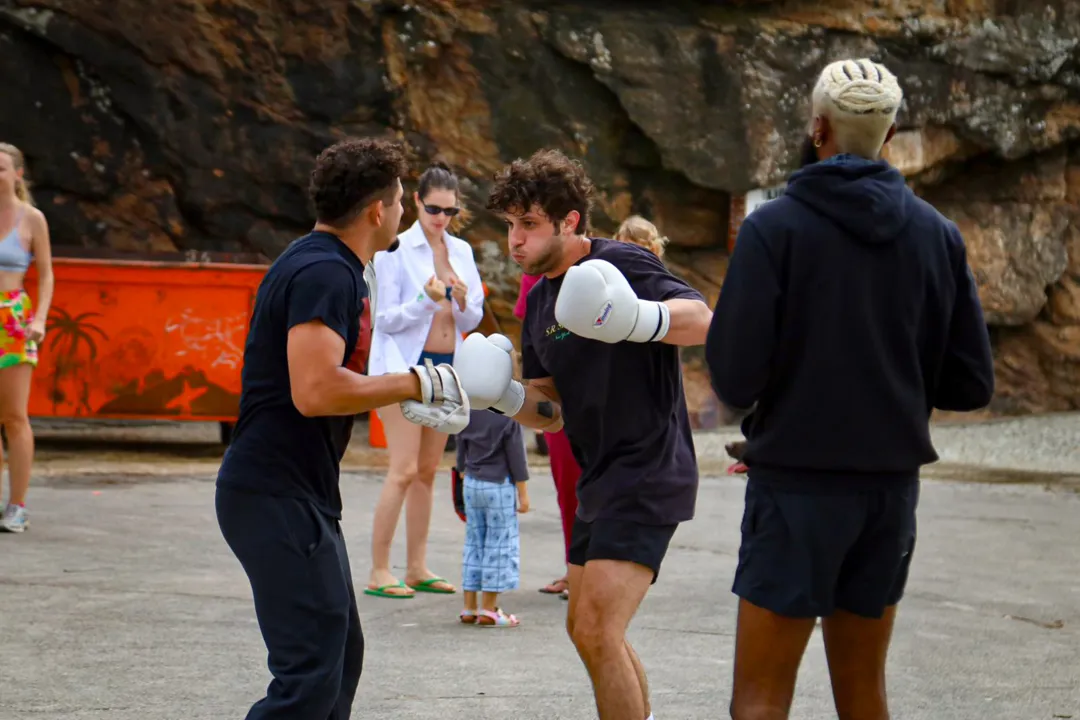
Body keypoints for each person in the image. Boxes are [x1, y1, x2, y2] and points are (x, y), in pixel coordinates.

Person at [705, 58, 995, 720]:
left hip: (795, 488)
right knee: (864, 696)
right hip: (888, 494)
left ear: (818, 129)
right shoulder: (936, 237)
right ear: (889, 136)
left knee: (758, 700)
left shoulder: (772, 229)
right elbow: (971, 380)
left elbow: (736, 376)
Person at [453, 148, 713, 720]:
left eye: (529, 224)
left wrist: (639, 319)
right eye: (510, 226)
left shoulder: (621, 263)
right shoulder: (539, 300)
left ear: (570, 221)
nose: (515, 241)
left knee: (597, 627)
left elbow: (701, 321)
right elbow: (553, 411)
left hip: (649, 469)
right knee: (589, 629)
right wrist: (503, 397)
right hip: (598, 478)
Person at [215, 137, 469, 720]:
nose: (404, 212)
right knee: (309, 675)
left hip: (296, 492)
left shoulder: (326, 264)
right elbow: (316, 390)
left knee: (338, 657)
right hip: (272, 492)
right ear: (377, 211)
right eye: (402, 200)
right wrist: (415, 383)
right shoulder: (325, 272)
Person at [365, 161, 485, 599]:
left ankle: (416, 566)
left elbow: (469, 318)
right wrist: (426, 299)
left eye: (450, 212)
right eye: (434, 209)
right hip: (402, 366)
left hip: (446, 368)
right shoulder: (394, 249)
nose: (441, 219)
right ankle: (380, 569)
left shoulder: (462, 252)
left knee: (429, 471)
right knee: (403, 469)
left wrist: (464, 300)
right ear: (416, 201)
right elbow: (384, 319)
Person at [513, 271, 577, 600]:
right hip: (561, 400)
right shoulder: (535, 281)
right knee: (568, 489)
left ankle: (601, 571)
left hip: (605, 403)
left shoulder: (602, 265)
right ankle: (575, 568)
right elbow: (534, 337)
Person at [0, 143, 53, 534]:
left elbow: (47, 275)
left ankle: (17, 505)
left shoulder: (32, 219)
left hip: (13, 320)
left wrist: (40, 318)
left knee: (14, 416)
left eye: (1, 169)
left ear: (17, 174)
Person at [455, 400, 531, 627]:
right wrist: (523, 495)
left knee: (473, 541)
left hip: (471, 482)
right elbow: (517, 458)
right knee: (498, 544)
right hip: (498, 485)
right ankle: (489, 608)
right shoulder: (508, 416)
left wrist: (462, 467)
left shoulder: (469, 410)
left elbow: (460, 443)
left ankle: (469, 606)